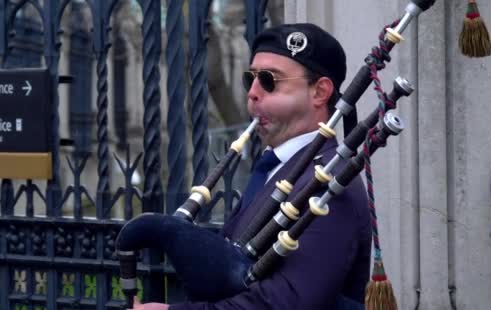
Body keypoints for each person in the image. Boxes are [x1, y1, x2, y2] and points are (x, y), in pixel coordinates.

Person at [134, 23, 371, 309]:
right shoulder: (276, 168)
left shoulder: (331, 183)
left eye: (270, 80)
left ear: (319, 92)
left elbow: (288, 301)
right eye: (251, 79)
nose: (253, 93)